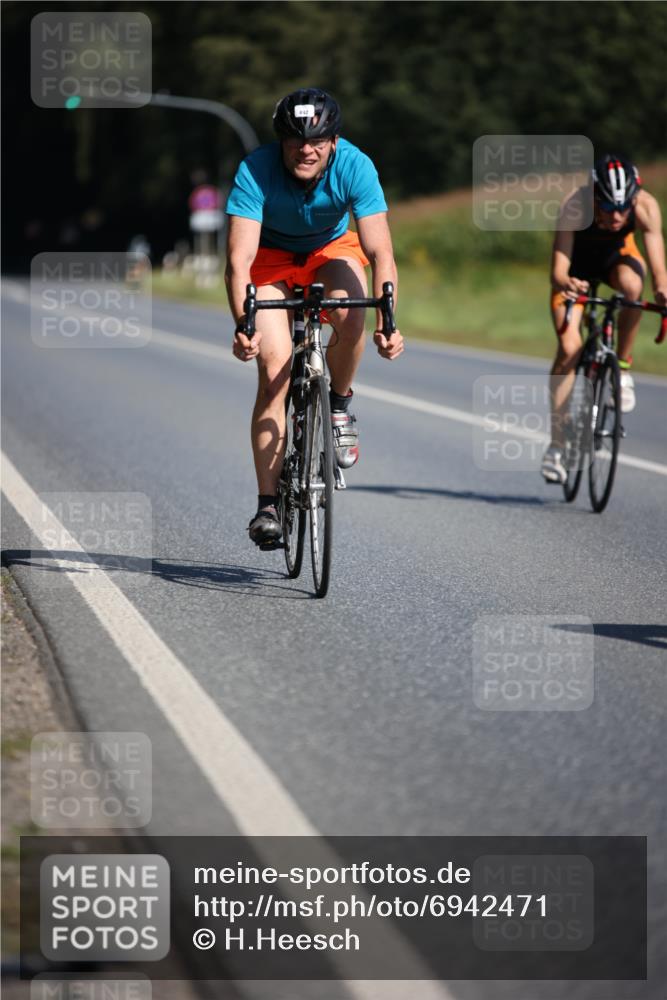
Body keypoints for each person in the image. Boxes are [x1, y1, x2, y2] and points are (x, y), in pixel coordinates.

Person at [224, 88, 404, 544]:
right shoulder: (256, 170)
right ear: (280, 141)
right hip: (270, 258)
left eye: (317, 141)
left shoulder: (356, 165)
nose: (305, 150)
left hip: (329, 250)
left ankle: (339, 406)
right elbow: (239, 262)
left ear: (334, 141)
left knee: (350, 313)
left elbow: (380, 251)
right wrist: (243, 325)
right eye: (294, 141)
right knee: (274, 370)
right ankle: (268, 507)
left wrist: (389, 322)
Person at [541, 154, 667, 484]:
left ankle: (622, 368)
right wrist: (566, 283)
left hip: (616, 260)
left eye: (623, 208)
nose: (617, 215)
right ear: (594, 197)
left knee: (633, 288)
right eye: (608, 207)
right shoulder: (574, 207)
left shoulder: (645, 207)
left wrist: (663, 289)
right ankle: (556, 446)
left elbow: (654, 255)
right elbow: (558, 272)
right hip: (575, 271)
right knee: (570, 349)